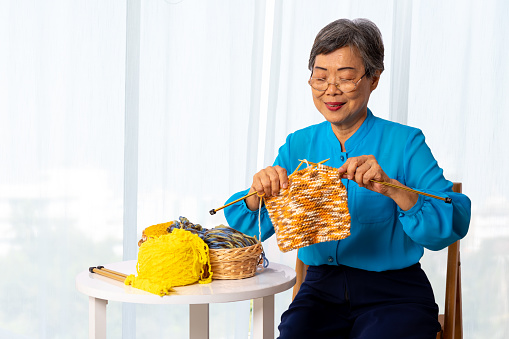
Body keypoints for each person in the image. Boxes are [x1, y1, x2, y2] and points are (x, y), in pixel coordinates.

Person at [224, 18, 471, 339]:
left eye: (346, 77)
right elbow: (249, 230)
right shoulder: (298, 145)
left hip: (395, 292)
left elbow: (453, 221)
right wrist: (258, 194)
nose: (331, 89)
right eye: (320, 76)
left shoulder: (406, 143)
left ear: (374, 79)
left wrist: (396, 190)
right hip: (319, 291)